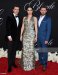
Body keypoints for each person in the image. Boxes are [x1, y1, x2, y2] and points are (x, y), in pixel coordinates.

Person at [20, 6, 37, 71]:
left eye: (30, 10)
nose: (29, 11)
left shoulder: (35, 18)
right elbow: (22, 27)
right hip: (25, 35)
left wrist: (36, 36)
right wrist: (21, 35)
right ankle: (25, 65)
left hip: (32, 35)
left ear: (32, 11)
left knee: (30, 50)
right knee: (25, 50)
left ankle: (31, 66)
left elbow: (36, 28)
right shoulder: (24, 18)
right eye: (28, 10)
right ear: (27, 11)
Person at [6, 5, 22, 72]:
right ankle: (9, 66)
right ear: (13, 10)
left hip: (16, 38)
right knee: (10, 52)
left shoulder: (19, 17)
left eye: (18, 9)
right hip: (10, 38)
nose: (17, 10)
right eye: (15, 9)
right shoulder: (9, 17)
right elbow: (7, 27)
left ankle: (13, 63)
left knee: (14, 51)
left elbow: (19, 28)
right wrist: (9, 35)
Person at [37, 6, 51, 71]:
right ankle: (40, 62)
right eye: (42, 10)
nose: (43, 11)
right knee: (39, 50)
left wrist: (47, 39)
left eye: (44, 10)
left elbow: (49, 30)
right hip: (38, 38)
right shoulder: (37, 17)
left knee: (44, 52)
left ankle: (44, 64)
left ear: (46, 11)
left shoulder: (48, 18)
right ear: (40, 10)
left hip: (44, 38)